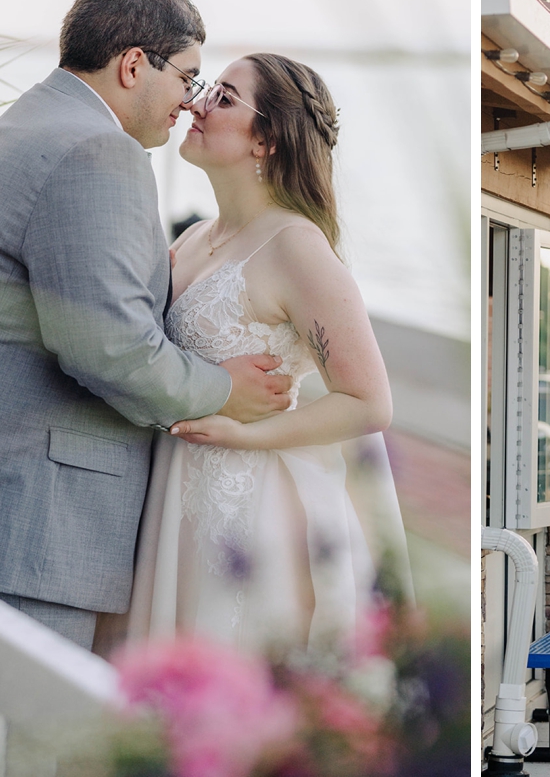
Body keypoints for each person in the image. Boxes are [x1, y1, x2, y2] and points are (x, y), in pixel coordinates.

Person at [0, 0, 291, 650]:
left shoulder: (29, 119)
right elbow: (108, 348)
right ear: (132, 65)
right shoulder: (99, 150)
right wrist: (225, 389)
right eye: (187, 76)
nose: (189, 102)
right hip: (20, 516)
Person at [123, 52, 410, 653]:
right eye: (206, 90)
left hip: (251, 504)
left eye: (224, 98)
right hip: (175, 491)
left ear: (267, 141)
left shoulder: (298, 248)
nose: (197, 104)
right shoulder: (196, 237)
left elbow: (368, 402)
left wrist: (245, 435)